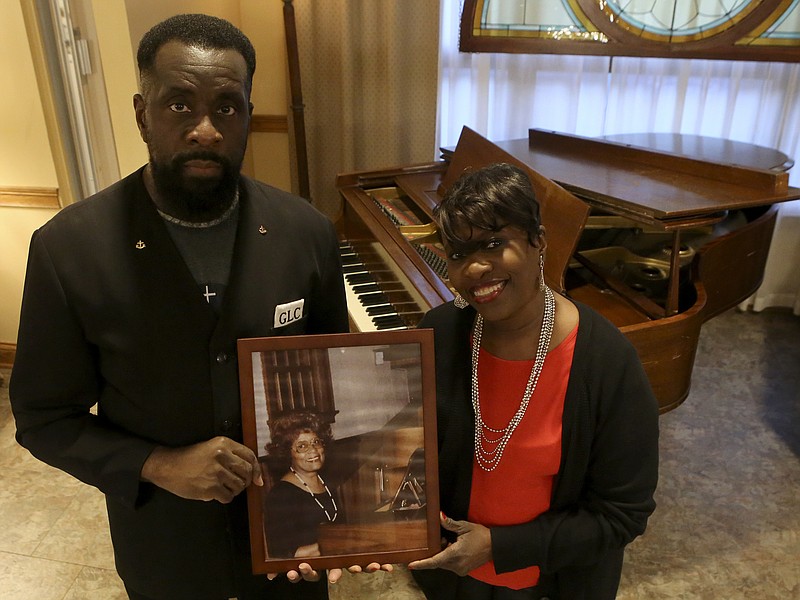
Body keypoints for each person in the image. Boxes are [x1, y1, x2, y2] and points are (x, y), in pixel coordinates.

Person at [9, 13, 385, 600]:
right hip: (165, 544)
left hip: (293, 545)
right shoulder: (68, 250)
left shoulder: (306, 232)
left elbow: (339, 385)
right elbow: (42, 419)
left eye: (227, 107)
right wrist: (157, 463)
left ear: (248, 115)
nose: (205, 129)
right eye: (179, 105)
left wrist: (354, 523)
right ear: (142, 113)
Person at [408, 163, 659, 599]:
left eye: (494, 243)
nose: (475, 268)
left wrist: (500, 548)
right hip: (452, 580)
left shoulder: (606, 360)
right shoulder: (440, 333)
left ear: (538, 241)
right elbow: (406, 453)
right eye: (458, 253)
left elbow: (623, 514)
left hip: (553, 583)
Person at [264, 412, 340, 559]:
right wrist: (337, 543)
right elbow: (282, 553)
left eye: (316, 442)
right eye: (302, 446)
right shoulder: (280, 495)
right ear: (287, 453)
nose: (313, 450)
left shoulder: (328, 484)